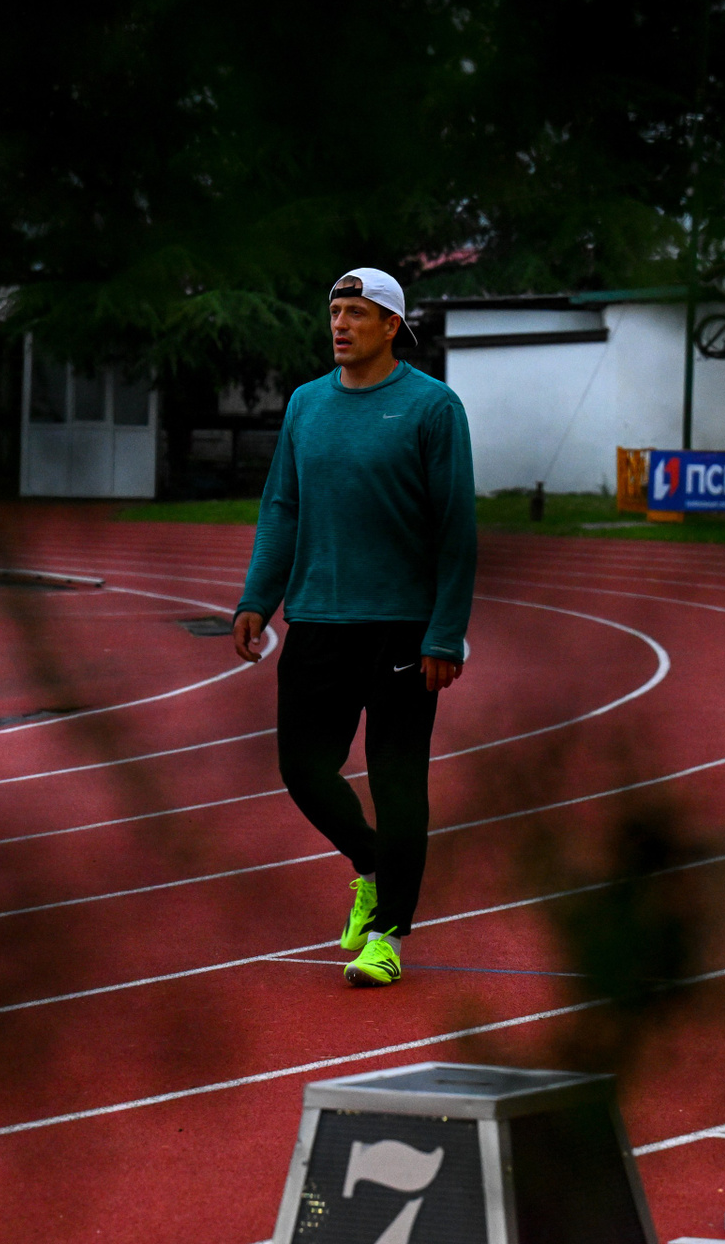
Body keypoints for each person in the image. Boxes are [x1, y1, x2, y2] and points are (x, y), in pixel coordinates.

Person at [231, 267, 477, 987]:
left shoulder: (433, 407)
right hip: (317, 618)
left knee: (397, 778)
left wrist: (445, 633)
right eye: (335, 311)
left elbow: (456, 526)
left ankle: (388, 934)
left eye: (357, 313)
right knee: (303, 768)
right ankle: (372, 865)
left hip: (403, 627)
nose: (340, 324)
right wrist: (257, 597)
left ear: (392, 325)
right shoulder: (306, 404)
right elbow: (282, 506)